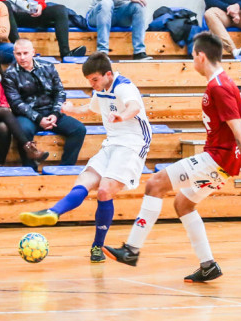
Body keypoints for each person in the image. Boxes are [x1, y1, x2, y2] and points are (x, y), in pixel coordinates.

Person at [104, 32, 241, 282]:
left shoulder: (219, 87)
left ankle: (131, 250)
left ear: (201, 56)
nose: (192, 61)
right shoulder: (224, 82)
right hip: (224, 163)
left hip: (217, 159)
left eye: (192, 56)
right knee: (183, 204)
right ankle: (208, 265)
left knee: (155, 184)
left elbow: (240, 129)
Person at [18, 53, 152, 262]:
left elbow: (134, 107)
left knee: (105, 190)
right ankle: (53, 212)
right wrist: (71, 110)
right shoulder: (100, 89)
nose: (92, 84)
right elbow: (90, 109)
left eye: (95, 80)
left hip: (134, 143)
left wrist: (122, 116)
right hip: (113, 143)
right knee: (85, 180)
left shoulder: (124, 86)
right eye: (89, 81)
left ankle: (97, 247)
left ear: (108, 74)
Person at [3, 38, 86, 165]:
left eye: (25, 53)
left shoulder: (48, 66)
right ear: (14, 54)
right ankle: (30, 170)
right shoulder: (9, 74)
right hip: (27, 115)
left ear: (33, 52)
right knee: (23, 131)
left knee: (79, 129)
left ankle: (66, 167)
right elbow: (16, 103)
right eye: (18, 54)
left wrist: (55, 114)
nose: (22, 57)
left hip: (51, 111)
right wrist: (39, 119)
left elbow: (60, 92)